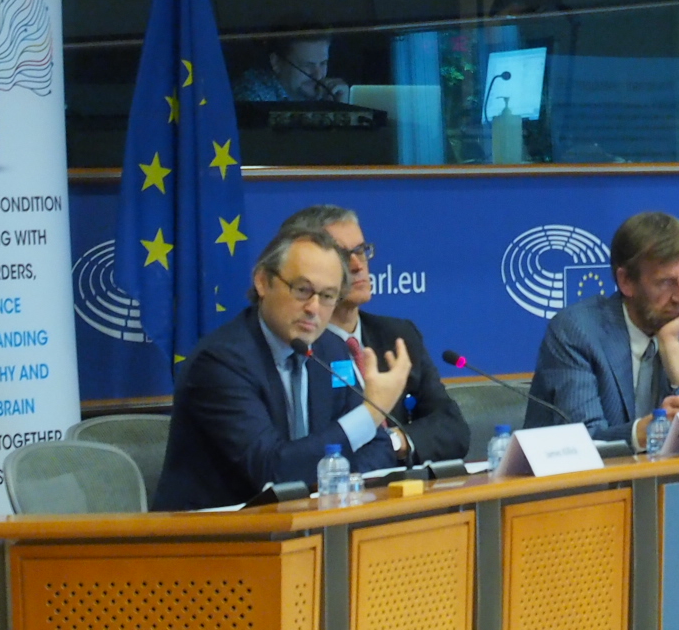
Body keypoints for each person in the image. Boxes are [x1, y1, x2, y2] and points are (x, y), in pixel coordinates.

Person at [153, 223, 412, 510]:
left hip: (308, 524)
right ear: (263, 282)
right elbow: (272, 471)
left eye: (328, 296)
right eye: (302, 290)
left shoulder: (331, 350)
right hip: (213, 530)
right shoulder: (220, 362)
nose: (314, 308)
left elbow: (377, 446)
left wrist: (336, 483)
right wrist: (370, 413)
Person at [279, 205, 468, 465]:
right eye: (341, 255)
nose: (357, 265)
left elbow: (452, 428)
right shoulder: (299, 350)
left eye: (360, 250)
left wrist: (395, 442)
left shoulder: (398, 336)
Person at [526, 211, 679, 444]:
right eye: (666, 282)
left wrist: (671, 346)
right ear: (626, 281)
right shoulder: (577, 332)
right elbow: (583, 440)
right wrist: (644, 432)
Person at [233, 35, 348, 103]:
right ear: (276, 63)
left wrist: (340, 109)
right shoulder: (252, 97)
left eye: (323, 63)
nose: (318, 76)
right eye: (307, 65)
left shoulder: (327, 95)